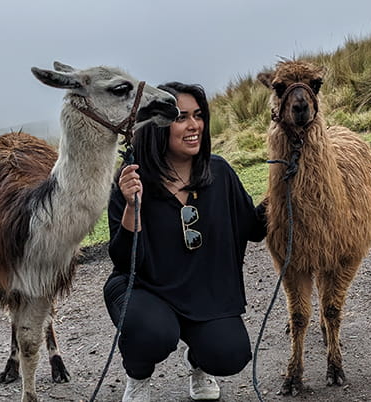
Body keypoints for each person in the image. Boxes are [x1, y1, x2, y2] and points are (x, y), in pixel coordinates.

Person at [104, 81, 267, 402]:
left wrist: (288, 186)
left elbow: (254, 228)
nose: (194, 126)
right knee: (151, 333)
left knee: (230, 354)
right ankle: (138, 375)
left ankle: (198, 361)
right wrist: (132, 207)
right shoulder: (132, 180)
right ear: (157, 125)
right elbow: (125, 262)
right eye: (180, 117)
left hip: (202, 295)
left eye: (198, 115)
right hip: (145, 289)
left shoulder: (219, 172)